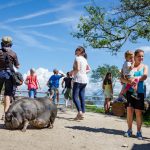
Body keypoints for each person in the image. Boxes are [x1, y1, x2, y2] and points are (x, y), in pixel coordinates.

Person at [120, 49, 148, 140]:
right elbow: (122, 79)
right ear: (134, 57)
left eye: (142, 56)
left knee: (138, 112)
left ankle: (139, 132)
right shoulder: (129, 66)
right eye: (139, 56)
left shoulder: (144, 66)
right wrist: (129, 81)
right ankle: (129, 130)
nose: (141, 58)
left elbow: (145, 76)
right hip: (130, 91)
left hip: (140, 92)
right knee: (129, 111)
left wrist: (136, 79)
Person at [0, 36, 20, 119]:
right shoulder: (13, 53)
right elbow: (18, 66)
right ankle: (5, 114)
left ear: (1, 43)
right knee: (7, 94)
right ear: (10, 44)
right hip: (9, 74)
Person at [70, 46, 90, 120]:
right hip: (85, 79)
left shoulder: (77, 58)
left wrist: (71, 72)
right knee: (82, 96)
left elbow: (77, 69)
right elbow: (88, 69)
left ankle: (80, 112)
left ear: (80, 52)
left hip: (78, 79)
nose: (75, 51)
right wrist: (83, 72)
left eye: (77, 50)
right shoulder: (85, 59)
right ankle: (82, 113)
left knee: (75, 97)